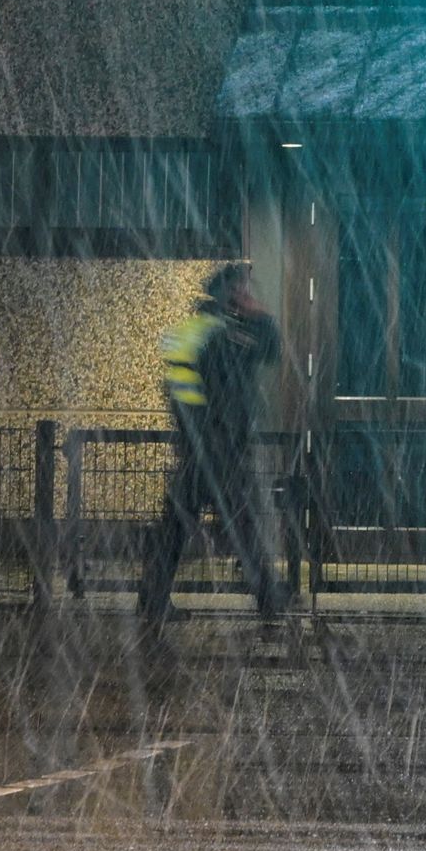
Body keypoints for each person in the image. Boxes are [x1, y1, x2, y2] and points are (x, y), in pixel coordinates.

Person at [138, 261, 290, 638]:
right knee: (244, 526)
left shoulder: (195, 331)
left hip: (196, 451)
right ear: (227, 294)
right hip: (219, 452)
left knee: (173, 530)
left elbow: (180, 392)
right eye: (241, 288)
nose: (247, 294)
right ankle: (270, 603)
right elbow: (269, 350)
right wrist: (261, 317)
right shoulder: (223, 335)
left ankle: (152, 602)